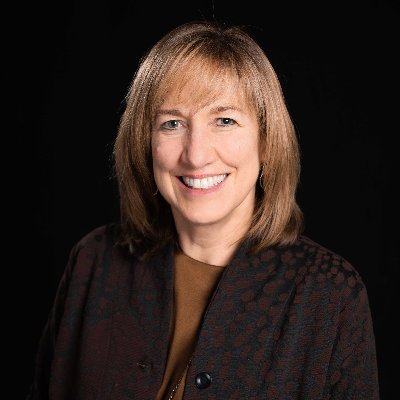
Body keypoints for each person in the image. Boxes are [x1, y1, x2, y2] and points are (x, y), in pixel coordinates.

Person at [27, 20, 379, 399]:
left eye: (224, 121)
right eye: (172, 123)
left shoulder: (328, 293)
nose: (196, 155)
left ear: (266, 141)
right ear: (145, 143)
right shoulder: (93, 262)